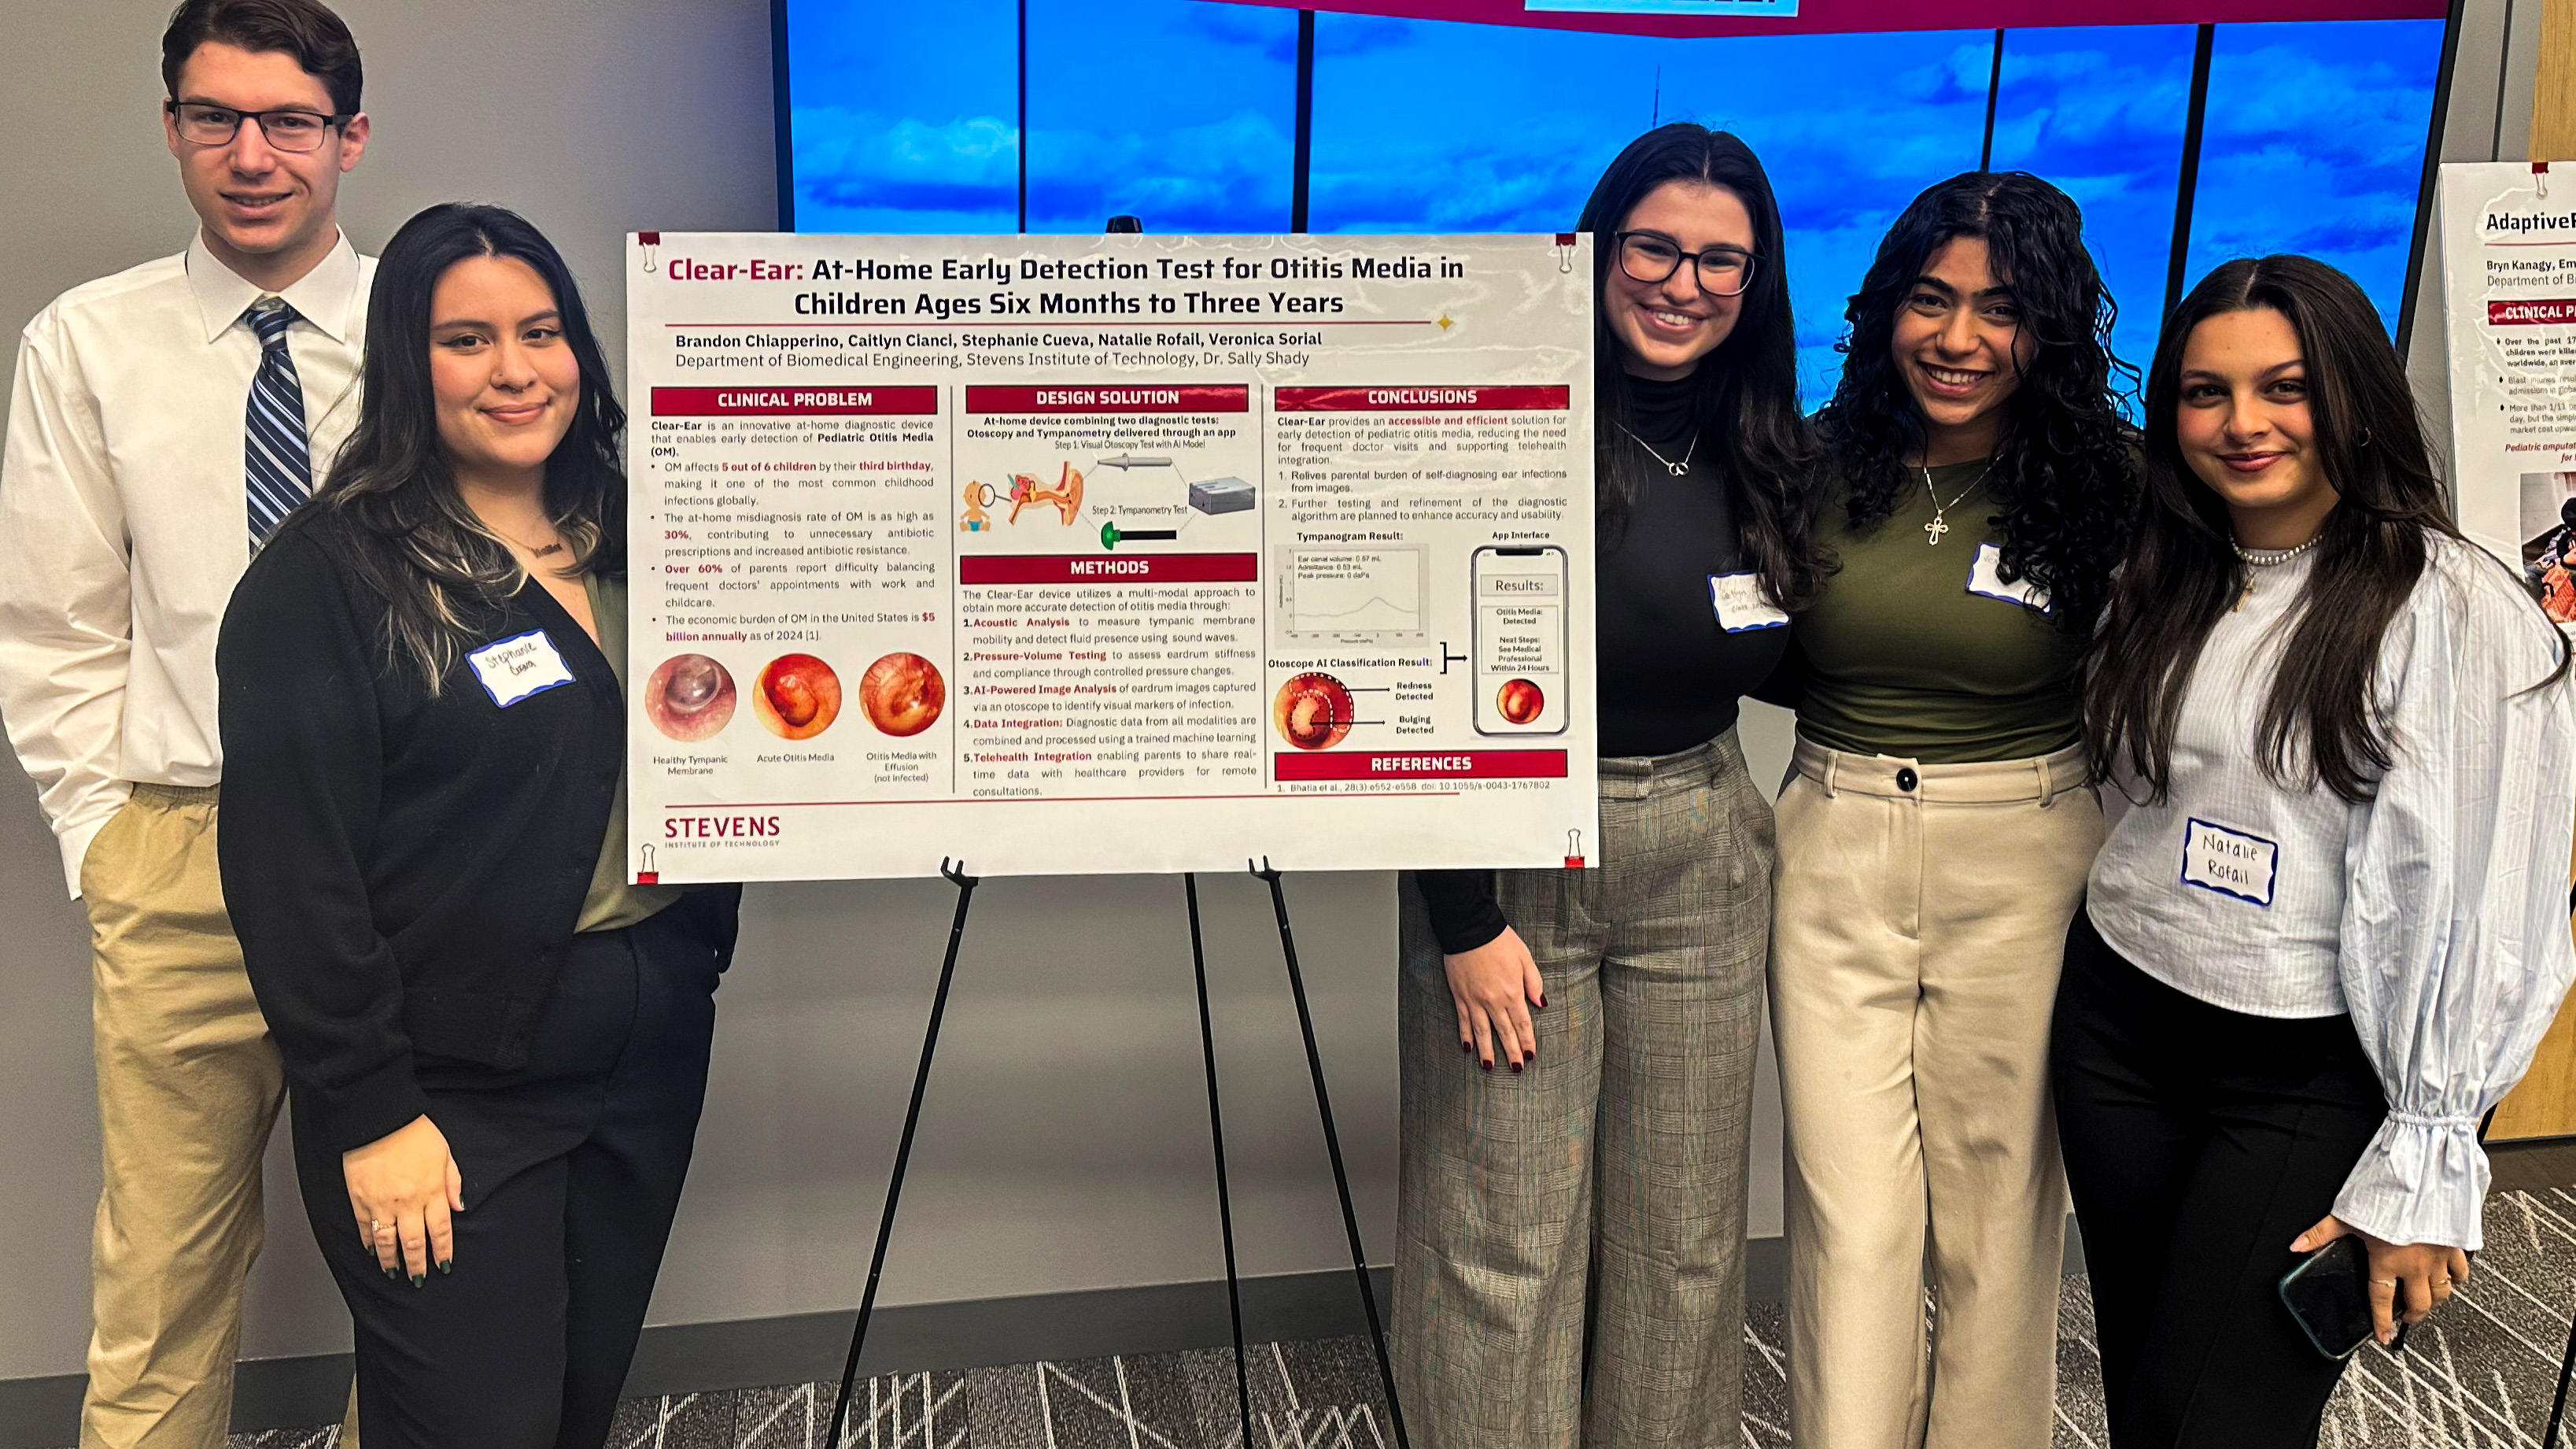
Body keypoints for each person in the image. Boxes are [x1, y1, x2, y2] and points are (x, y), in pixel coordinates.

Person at [215, 203, 741, 1447]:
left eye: (542, 332)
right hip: (444, 1088)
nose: (516, 370)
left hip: (644, 1047)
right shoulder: (330, 575)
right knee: (470, 1424)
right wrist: (371, 1109)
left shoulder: (657, 534)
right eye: (468, 340)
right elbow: (292, 872)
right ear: (410, 361)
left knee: (573, 1403)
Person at [2061, 255, 2575, 1447]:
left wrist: (2430, 1157)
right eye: (2205, 392)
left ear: (2351, 393)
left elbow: (2489, 907)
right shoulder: (2167, 566)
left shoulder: (2455, 609)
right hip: (2119, 1025)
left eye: (2282, 387)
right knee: (2147, 1388)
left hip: (2305, 1071)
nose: (2241, 424)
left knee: (2215, 1424)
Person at [1396, 122, 1823, 1447]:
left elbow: (1783, 659)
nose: (1680, 282)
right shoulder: (1499, 416)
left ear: (1753, 286)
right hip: (1513, 851)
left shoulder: (1768, 452)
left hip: (1703, 845)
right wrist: (1458, 914)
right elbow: (1415, 672)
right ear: (1593, 249)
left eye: (1718, 261)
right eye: (1653, 246)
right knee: (1501, 1237)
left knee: (1682, 1242)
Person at [0, 2, 372, 1442]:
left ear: (349, 134)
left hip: (403, 850)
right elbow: (56, 621)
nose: (251, 153)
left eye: (288, 119)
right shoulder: (88, 342)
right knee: (161, 1278)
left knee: (428, 1257)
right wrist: (103, 839)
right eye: (213, 117)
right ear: (171, 129)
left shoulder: (439, 329)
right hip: (182, 856)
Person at [1769, 170, 2136, 1449]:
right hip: (1831, 842)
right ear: (1883, 312)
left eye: (2000, 308)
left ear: (2047, 330)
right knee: (1848, 1218)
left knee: (1996, 1215)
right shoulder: (1817, 465)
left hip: (2026, 855)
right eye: (1930, 300)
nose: (1959, 339)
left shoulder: (2113, 487)